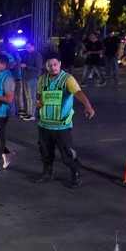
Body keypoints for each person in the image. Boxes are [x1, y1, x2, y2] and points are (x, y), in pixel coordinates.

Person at [34, 53, 95, 188]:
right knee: (45, 152)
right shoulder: (43, 79)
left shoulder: (68, 79)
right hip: (44, 124)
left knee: (66, 154)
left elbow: (78, 92)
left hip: (62, 126)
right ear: (46, 66)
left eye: (55, 64)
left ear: (60, 63)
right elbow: (39, 92)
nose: (53, 67)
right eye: (50, 65)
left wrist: (87, 105)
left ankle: (76, 174)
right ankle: (47, 173)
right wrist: (37, 101)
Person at [20, 42, 44, 121]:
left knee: (32, 96)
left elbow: (38, 67)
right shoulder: (27, 54)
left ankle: (32, 114)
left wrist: (27, 67)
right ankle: (29, 112)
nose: (27, 49)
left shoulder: (37, 55)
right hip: (26, 77)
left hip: (33, 77)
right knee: (27, 96)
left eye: (29, 47)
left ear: (33, 46)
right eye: (27, 47)